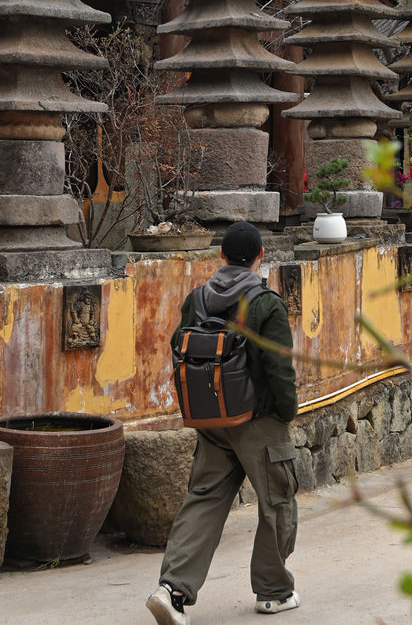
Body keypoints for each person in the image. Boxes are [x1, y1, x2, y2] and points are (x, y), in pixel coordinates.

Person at [146, 221, 300, 625]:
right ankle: (273, 592)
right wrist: (287, 412)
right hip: (258, 420)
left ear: (222, 256)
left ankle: (172, 590)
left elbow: (180, 345)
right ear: (261, 256)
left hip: (211, 418)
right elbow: (279, 367)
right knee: (277, 502)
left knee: (203, 499)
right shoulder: (267, 303)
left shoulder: (197, 298)